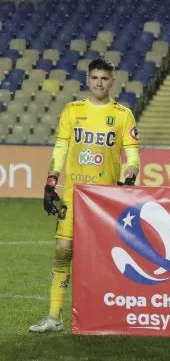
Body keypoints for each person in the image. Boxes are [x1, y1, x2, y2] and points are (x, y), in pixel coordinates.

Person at [30, 57, 140, 333]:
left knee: (105, 258)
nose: (99, 83)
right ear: (87, 80)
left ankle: (109, 316)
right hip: (73, 194)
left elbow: (133, 154)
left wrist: (130, 175)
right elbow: (60, 149)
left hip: (104, 199)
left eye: (105, 78)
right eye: (95, 78)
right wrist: (51, 181)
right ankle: (54, 317)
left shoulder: (123, 114)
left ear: (112, 81)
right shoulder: (72, 111)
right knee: (62, 252)